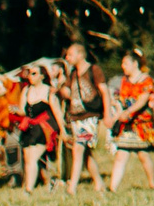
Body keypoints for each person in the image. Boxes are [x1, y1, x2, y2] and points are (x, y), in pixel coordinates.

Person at [104, 51, 154, 190]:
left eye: (126, 63)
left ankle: (153, 184)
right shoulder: (124, 80)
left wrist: (129, 112)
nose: (123, 66)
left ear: (135, 64)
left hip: (141, 124)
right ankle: (113, 188)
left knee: (143, 155)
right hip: (126, 124)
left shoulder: (146, 80)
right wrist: (116, 117)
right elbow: (122, 101)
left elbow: (143, 99)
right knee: (121, 154)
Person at [60, 42, 108, 194]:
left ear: (80, 55)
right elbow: (67, 91)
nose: (67, 57)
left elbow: (104, 92)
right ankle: (99, 183)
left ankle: (72, 187)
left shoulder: (94, 70)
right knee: (85, 153)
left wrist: (108, 114)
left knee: (78, 148)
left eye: (70, 54)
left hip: (89, 117)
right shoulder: (73, 73)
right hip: (76, 117)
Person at [11, 64, 63, 193]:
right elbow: (23, 111)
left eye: (34, 73)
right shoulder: (27, 90)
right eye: (30, 73)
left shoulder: (48, 91)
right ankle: (49, 181)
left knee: (33, 158)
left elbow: (57, 111)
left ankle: (28, 189)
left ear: (42, 76)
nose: (30, 76)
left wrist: (63, 131)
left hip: (44, 128)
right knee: (29, 159)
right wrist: (15, 110)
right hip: (29, 127)